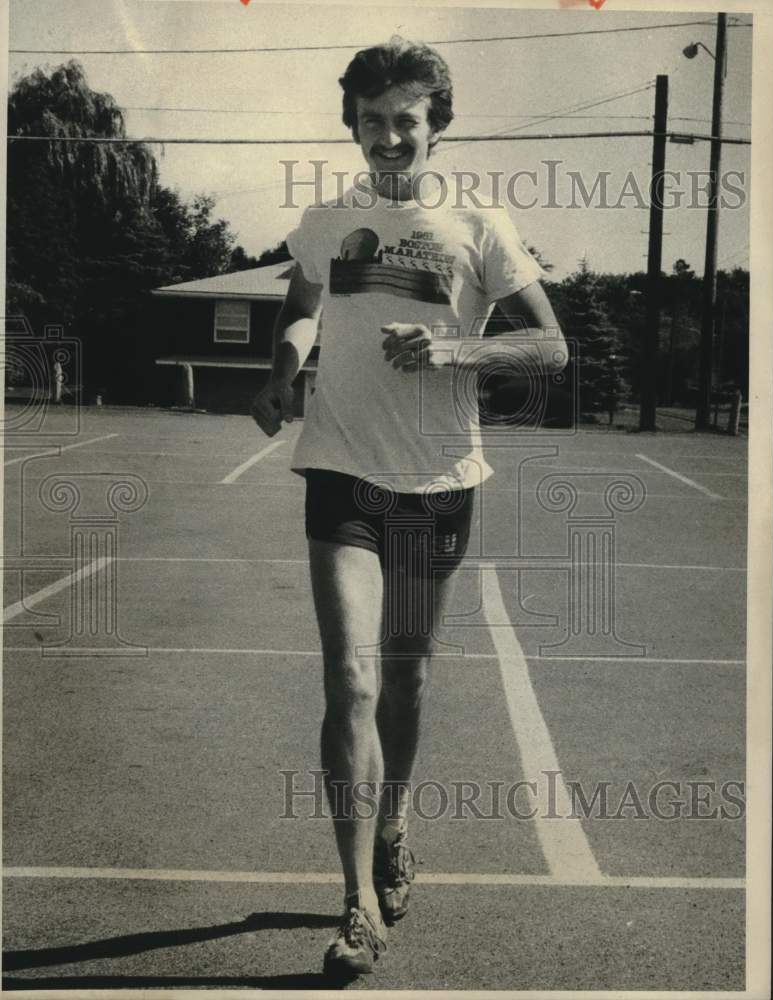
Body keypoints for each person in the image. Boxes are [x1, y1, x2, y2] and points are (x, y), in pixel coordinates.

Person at [251, 37, 567, 979]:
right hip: (341, 470)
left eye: (407, 121)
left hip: (437, 484)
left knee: (405, 680)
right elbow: (304, 301)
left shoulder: (479, 223)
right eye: (373, 120)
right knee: (347, 682)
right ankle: (357, 906)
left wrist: (454, 353)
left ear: (436, 127)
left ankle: (392, 829)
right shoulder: (325, 218)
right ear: (350, 123)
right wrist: (282, 373)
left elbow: (549, 349)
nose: (390, 137)